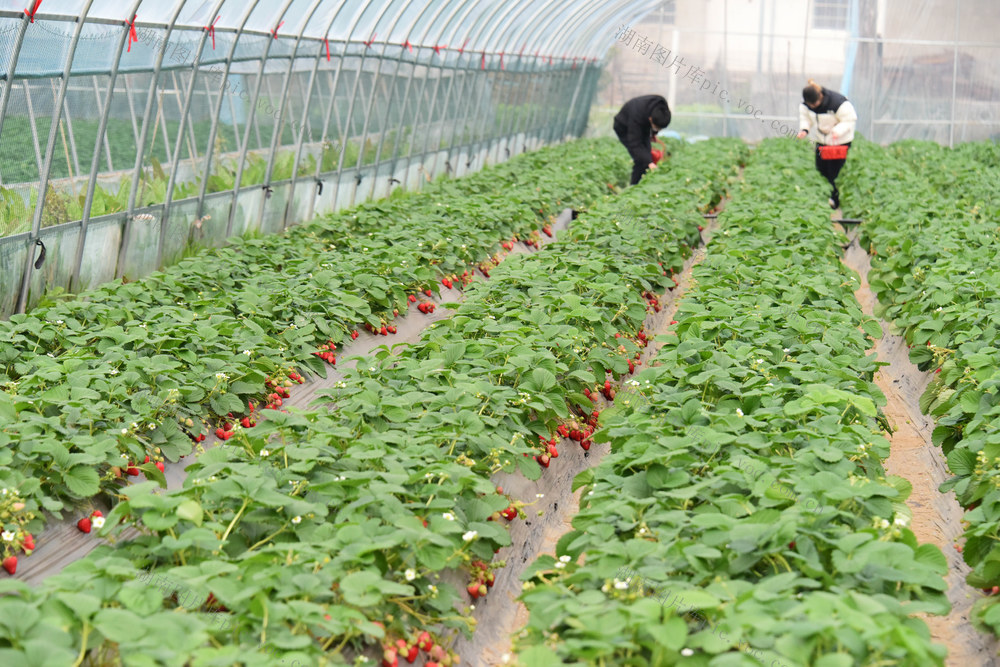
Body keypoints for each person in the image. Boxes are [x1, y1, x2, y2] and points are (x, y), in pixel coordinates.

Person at [796, 79, 858, 209]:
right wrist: (804, 130)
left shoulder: (838, 102)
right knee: (822, 169)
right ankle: (825, 199)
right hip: (822, 142)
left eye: (815, 103)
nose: (813, 107)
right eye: (810, 105)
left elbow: (850, 120)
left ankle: (836, 201)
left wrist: (837, 131)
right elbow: (806, 118)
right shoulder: (806, 105)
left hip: (840, 142)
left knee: (836, 172)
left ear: (821, 96)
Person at [613, 94, 671, 185]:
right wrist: (649, 162)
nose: (658, 130)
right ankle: (634, 188)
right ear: (650, 119)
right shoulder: (637, 114)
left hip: (643, 125)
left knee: (647, 154)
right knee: (640, 159)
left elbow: (658, 123)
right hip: (624, 127)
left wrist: (653, 134)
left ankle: (644, 182)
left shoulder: (661, 106)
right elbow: (635, 144)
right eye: (656, 128)